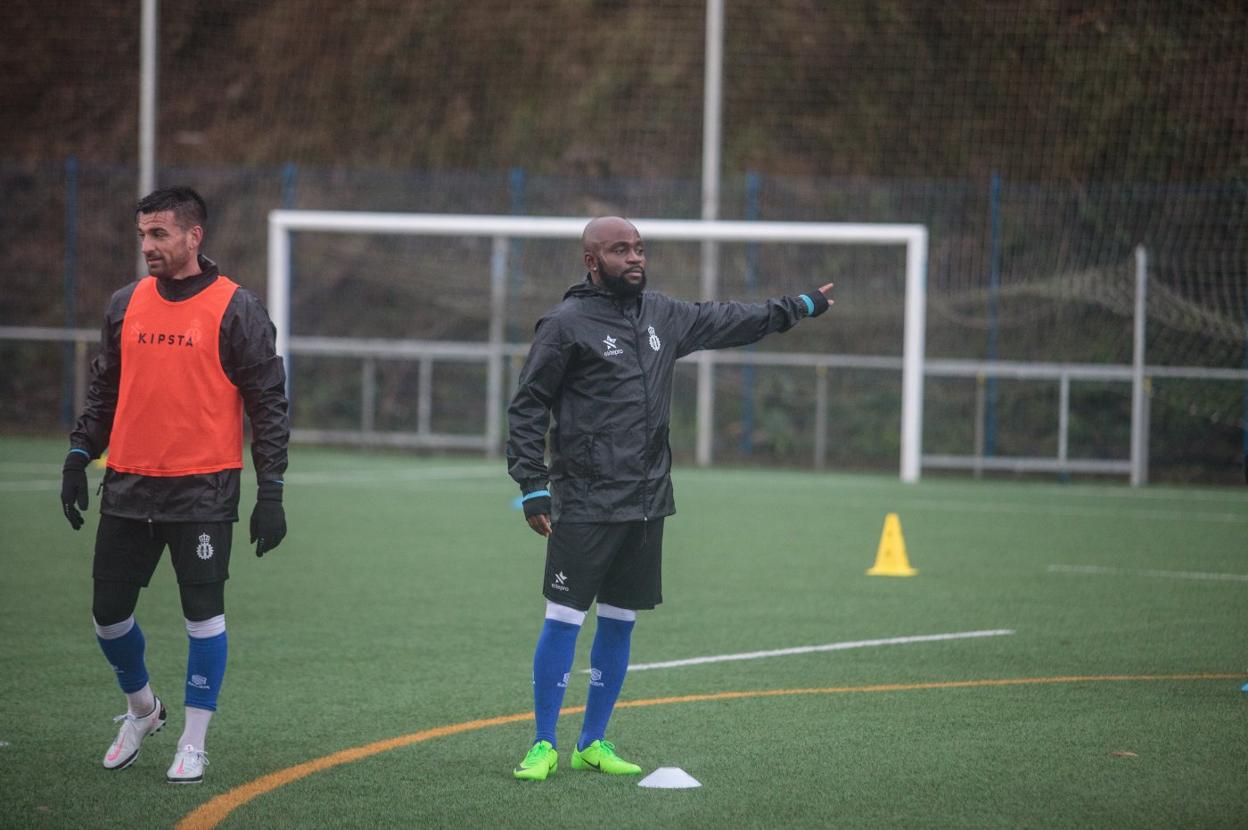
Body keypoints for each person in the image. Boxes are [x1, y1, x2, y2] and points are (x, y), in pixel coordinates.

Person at [506, 216, 834, 781]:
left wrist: (798, 305)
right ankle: (542, 743)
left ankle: (593, 742)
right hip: (583, 499)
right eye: (619, 250)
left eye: (638, 248)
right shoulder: (564, 324)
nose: (634, 257)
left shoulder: (664, 315)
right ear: (591, 260)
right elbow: (528, 405)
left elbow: (732, 319)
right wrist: (532, 482)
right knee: (563, 617)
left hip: (647, 499)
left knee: (619, 619)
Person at [59, 186, 290, 784]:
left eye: (159, 234)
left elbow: (268, 403)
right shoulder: (124, 304)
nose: (148, 246)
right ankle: (143, 710)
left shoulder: (237, 307)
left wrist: (272, 492)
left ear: (194, 236)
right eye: (142, 235)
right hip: (130, 484)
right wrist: (79, 455)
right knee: (107, 615)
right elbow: (105, 389)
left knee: (203, 615)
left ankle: (193, 738)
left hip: (204, 490)